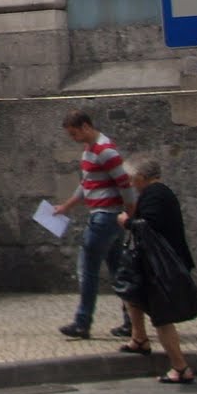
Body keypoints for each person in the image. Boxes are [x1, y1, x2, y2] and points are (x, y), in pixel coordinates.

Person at [116, 155, 197, 383]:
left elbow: (148, 226)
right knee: (130, 294)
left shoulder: (155, 195)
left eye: (133, 178)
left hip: (162, 268)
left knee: (162, 319)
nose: (131, 183)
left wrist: (126, 222)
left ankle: (180, 368)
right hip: (155, 264)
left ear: (142, 177)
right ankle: (139, 339)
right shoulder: (159, 193)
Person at [52, 109, 134, 339]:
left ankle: (82, 322)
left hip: (106, 217)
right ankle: (131, 322)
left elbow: (124, 184)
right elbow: (86, 184)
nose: (74, 139)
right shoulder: (89, 151)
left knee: (88, 269)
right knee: (118, 271)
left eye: (75, 134)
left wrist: (131, 213)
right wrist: (66, 207)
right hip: (107, 216)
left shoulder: (105, 151)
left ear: (86, 127)